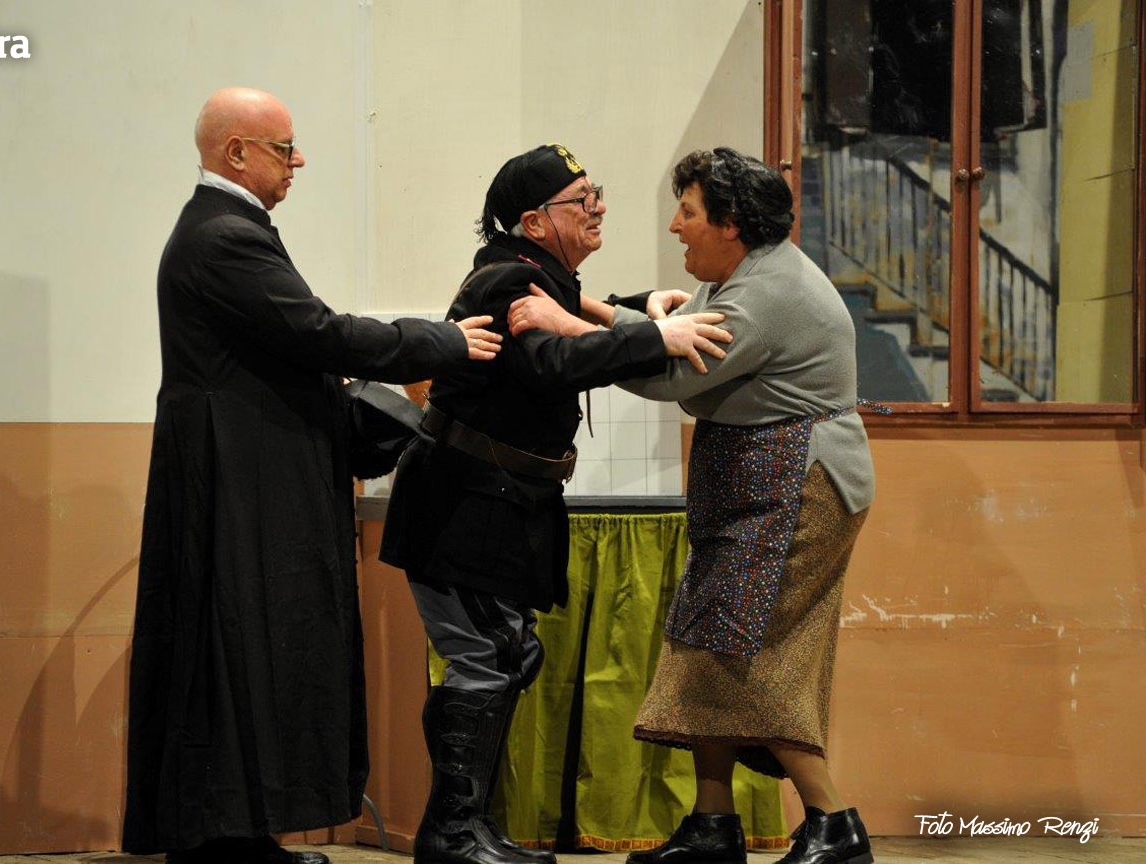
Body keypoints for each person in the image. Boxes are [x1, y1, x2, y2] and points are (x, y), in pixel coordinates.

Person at [122, 87, 506, 864]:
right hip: (240, 481)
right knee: (242, 645)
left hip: (244, 470)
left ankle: (239, 835)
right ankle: (227, 841)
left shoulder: (222, 229)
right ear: (236, 152)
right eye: (284, 147)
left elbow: (298, 341)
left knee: (244, 650)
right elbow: (318, 332)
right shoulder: (225, 236)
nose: (299, 161)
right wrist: (440, 342)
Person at [509, 147, 877, 864]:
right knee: (708, 640)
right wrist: (590, 307)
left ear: (730, 223)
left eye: (687, 213)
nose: (676, 227)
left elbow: (672, 376)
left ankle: (835, 823)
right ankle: (713, 825)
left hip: (795, 490)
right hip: (753, 488)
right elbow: (672, 336)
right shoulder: (743, 274)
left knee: (746, 656)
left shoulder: (768, 294)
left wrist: (568, 326)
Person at [380, 144, 733, 864]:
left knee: (505, 654)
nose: (598, 207)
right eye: (581, 200)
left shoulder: (539, 275)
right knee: (485, 656)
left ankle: (467, 827)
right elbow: (551, 361)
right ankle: (451, 833)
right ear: (536, 222)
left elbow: (570, 320)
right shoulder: (511, 279)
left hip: (494, 501)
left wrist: (637, 310)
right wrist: (655, 338)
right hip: (465, 504)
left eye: (595, 192)